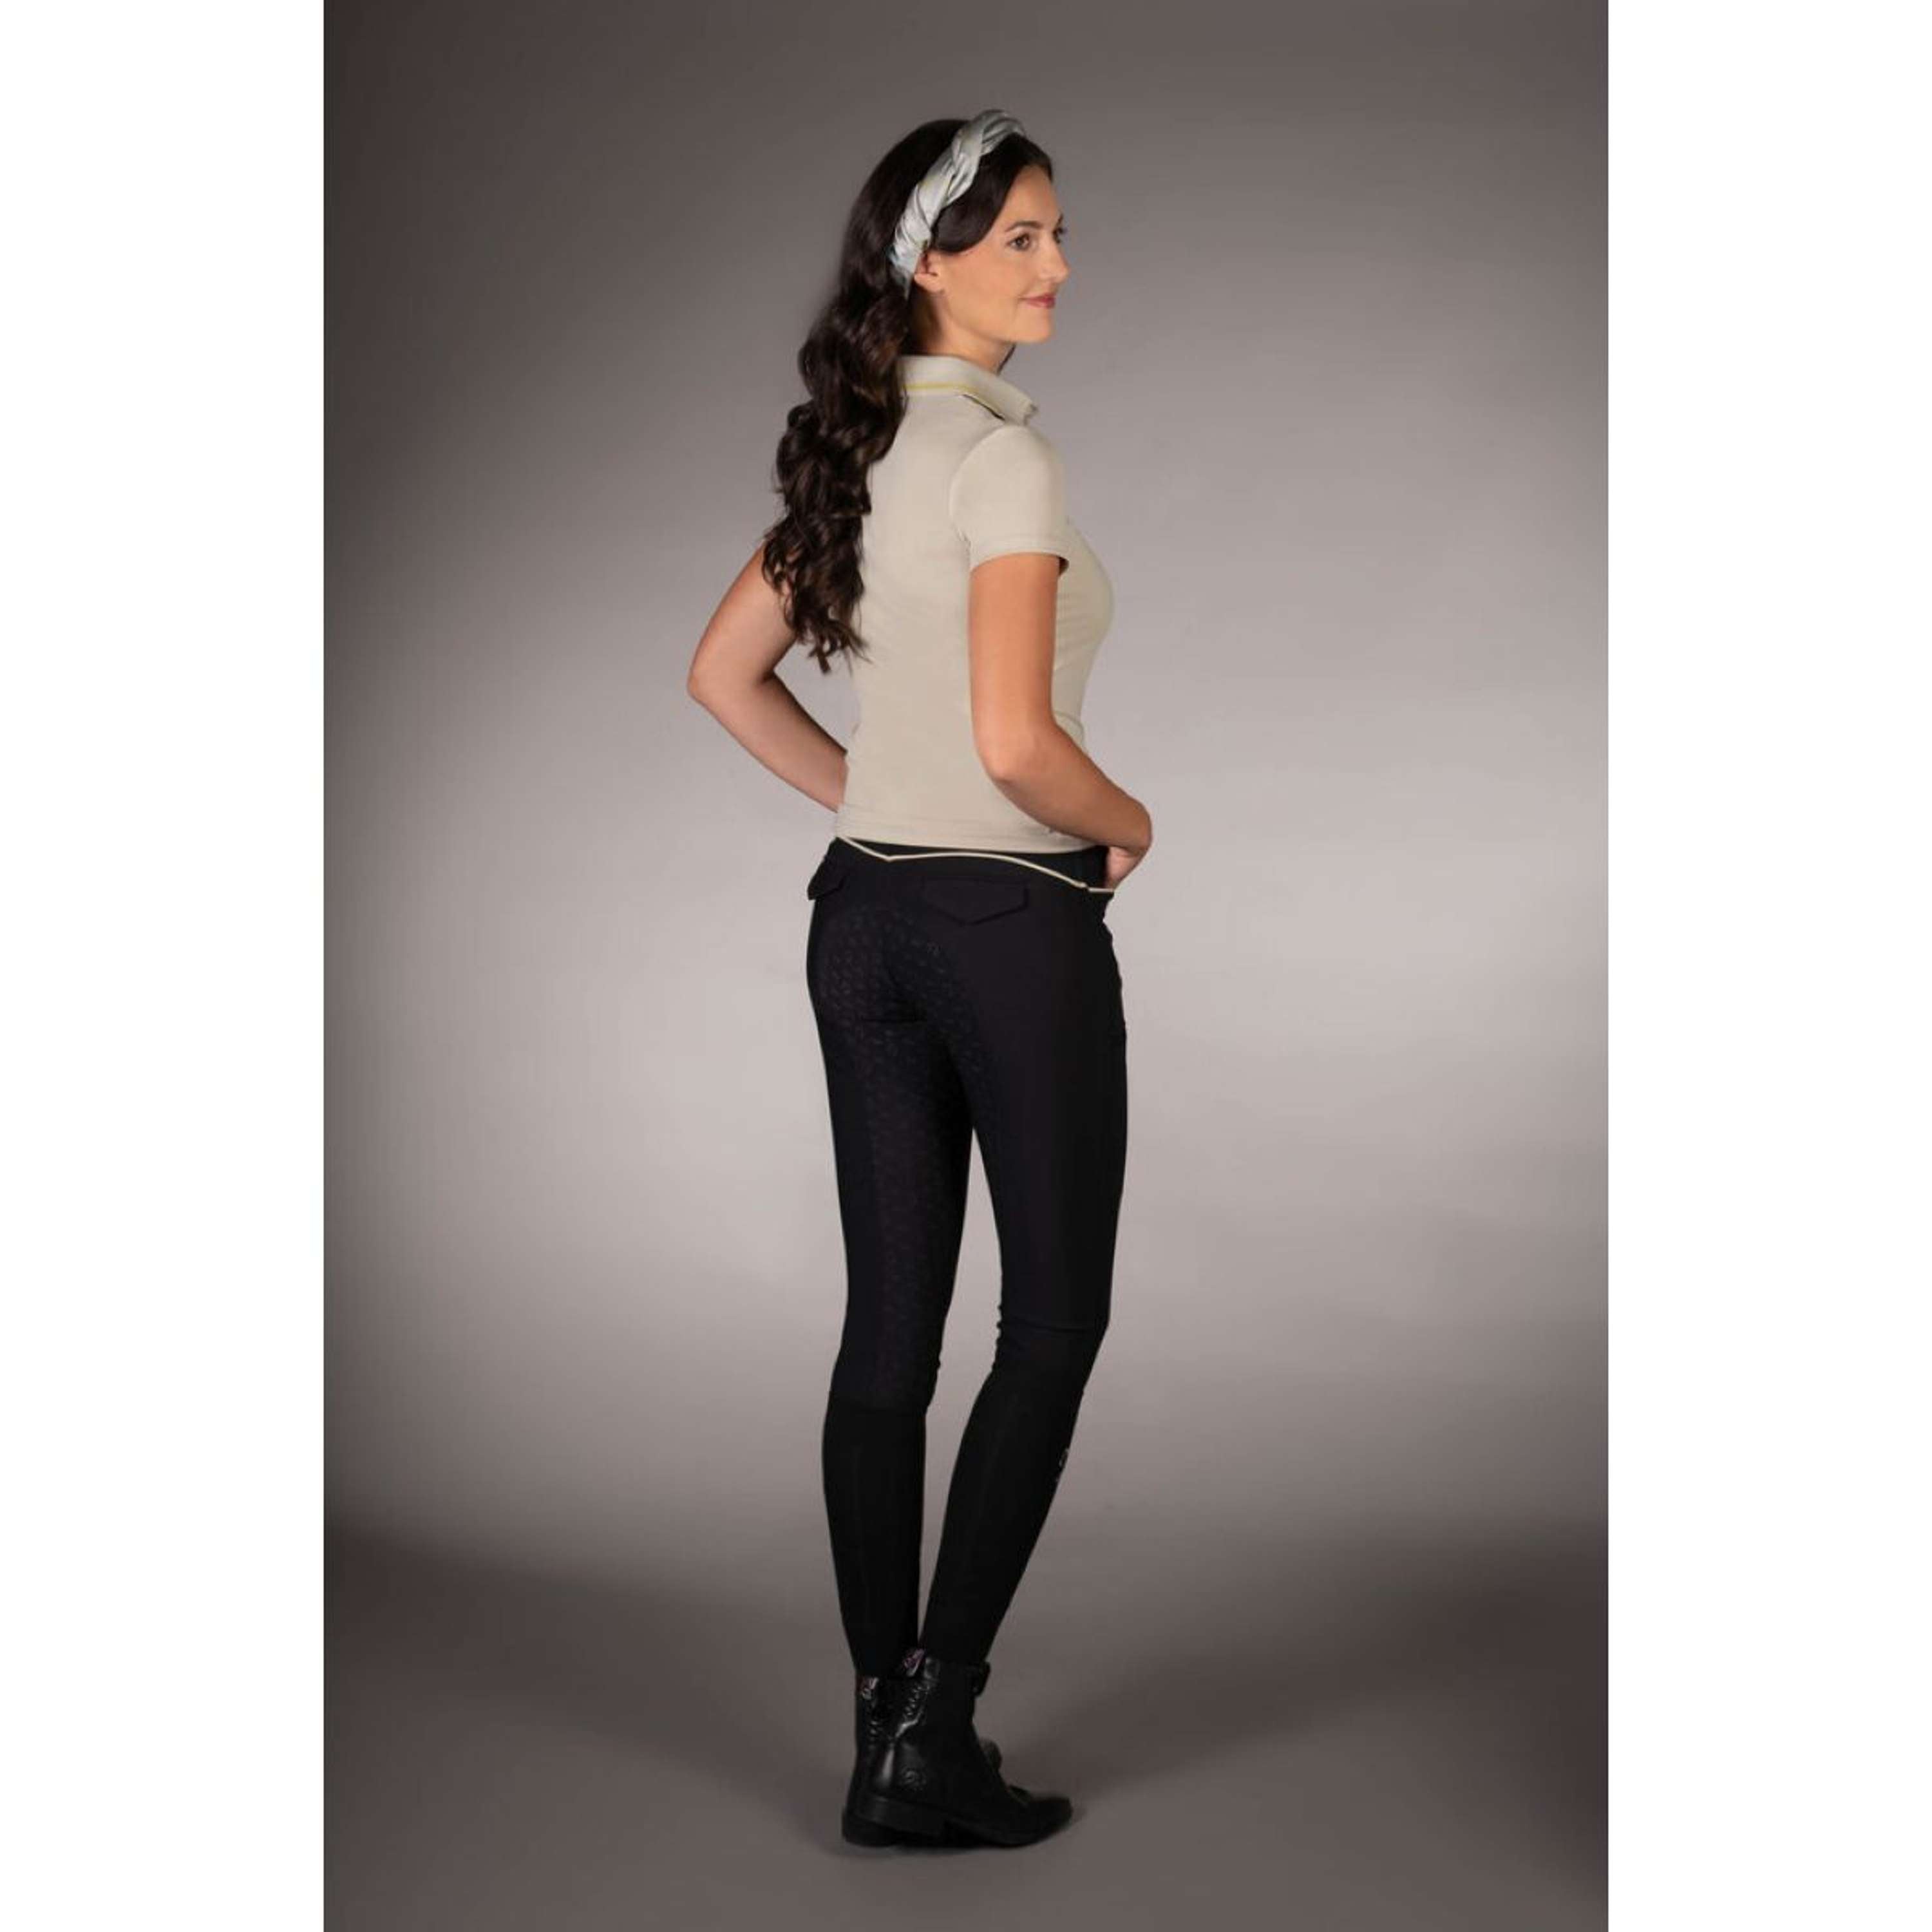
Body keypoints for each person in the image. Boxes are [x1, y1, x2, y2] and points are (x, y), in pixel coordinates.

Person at [687, 110, 1153, 1850]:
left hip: (864, 923)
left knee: (890, 1328)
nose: (1059, 266)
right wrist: (1133, 821)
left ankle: (885, 1724)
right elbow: (1019, 747)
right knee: (1052, 1322)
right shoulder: (1005, 467)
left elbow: (721, 675)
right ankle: (932, 1729)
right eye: (1023, 236)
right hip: (1006, 929)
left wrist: (875, 805)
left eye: (1058, 232)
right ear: (930, 261)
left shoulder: (858, 446)